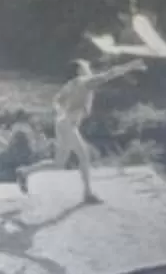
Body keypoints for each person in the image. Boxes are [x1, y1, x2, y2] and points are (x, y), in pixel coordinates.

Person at [30, 57, 145, 206]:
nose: (89, 67)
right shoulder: (86, 81)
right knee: (83, 156)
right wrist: (131, 65)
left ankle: (25, 171)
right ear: (79, 70)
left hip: (64, 124)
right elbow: (110, 74)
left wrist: (60, 111)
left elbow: (56, 99)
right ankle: (87, 194)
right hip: (67, 125)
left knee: (59, 163)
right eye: (86, 66)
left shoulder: (72, 83)